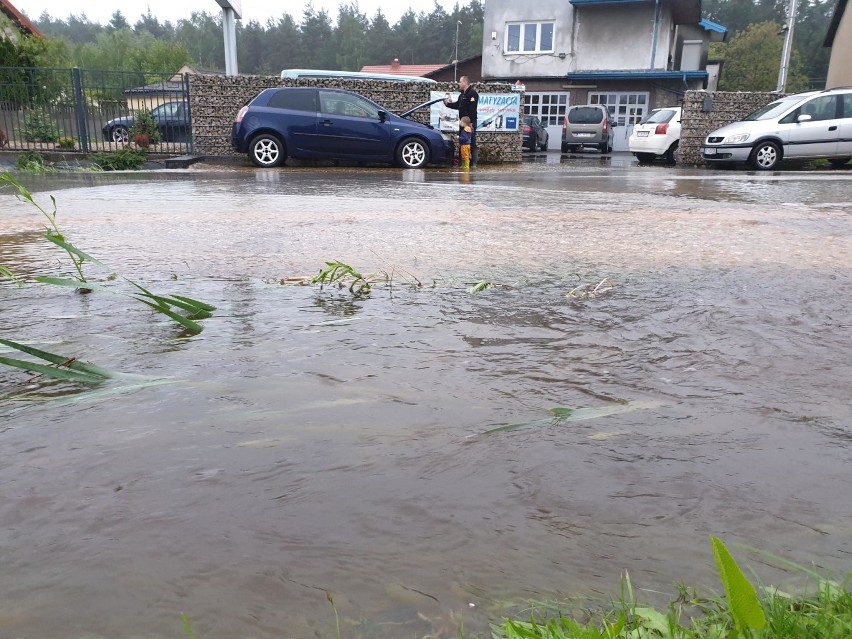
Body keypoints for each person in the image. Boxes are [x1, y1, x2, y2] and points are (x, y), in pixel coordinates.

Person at [444, 75, 479, 167]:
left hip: (469, 123)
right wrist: (448, 104)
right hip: (462, 123)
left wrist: (471, 123)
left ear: (464, 82)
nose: (459, 84)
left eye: (460, 82)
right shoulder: (462, 95)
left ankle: (474, 163)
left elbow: (472, 109)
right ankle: (461, 162)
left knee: (472, 142)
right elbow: (457, 105)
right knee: (462, 142)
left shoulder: (472, 94)